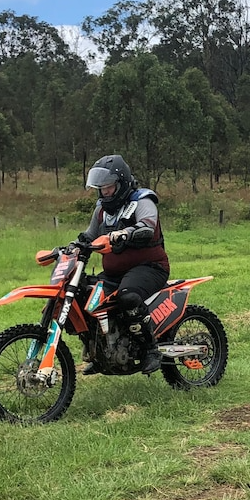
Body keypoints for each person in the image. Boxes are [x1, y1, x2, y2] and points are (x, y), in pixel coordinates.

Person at [75, 154, 170, 375]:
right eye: (101, 188)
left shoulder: (143, 200)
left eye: (108, 187)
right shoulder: (101, 209)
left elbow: (147, 226)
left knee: (127, 296)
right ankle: (100, 352)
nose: (104, 192)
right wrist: (72, 247)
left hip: (150, 267)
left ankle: (151, 349)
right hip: (114, 272)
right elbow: (89, 236)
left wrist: (126, 233)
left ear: (121, 183)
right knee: (85, 296)